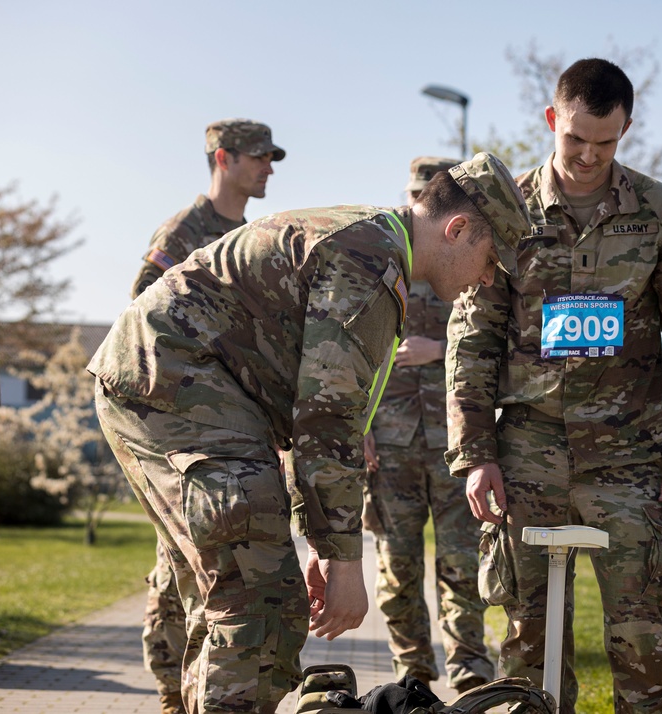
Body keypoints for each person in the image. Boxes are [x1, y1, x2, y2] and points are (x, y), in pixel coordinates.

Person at [89, 152, 530, 714]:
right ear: (458, 228)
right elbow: (327, 423)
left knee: (237, 596)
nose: (488, 277)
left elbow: (315, 418)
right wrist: (344, 561)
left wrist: (325, 542)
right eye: (491, 258)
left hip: (177, 388)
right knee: (260, 600)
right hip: (178, 388)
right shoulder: (371, 264)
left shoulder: (375, 242)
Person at [445, 59, 662, 713]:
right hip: (527, 455)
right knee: (525, 644)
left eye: (606, 142)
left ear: (626, 128)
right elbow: (472, 342)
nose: (589, 156)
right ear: (552, 121)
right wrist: (475, 455)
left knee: (644, 644)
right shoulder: (504, 211)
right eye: (575, 140)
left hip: (630, 458)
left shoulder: (660, 215)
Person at [132, 118, 285, 714]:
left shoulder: (247, 235)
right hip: (178, 425)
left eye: (271, 157)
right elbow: (141, 323)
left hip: (229, 424)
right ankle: (171, 689)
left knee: (206, 562)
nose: (268, 167)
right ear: (223, 158)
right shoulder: (185, 231)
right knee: (178, 562)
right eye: (258, 157)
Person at [362, 157, 493, 693]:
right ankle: (412, 678)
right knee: (398, 569)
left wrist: (439, 349)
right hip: (388, 444)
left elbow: (491, 343)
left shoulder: (468, 256)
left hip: (452, 442)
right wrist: (357, 425)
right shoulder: (379, 260)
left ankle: (469, 676)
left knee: (462, 566)